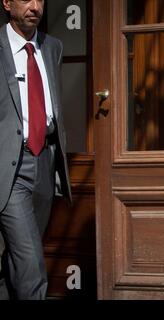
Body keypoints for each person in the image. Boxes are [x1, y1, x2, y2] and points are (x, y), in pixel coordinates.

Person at [0, 0, 71, 300]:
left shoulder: (52, 46)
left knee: (18, 260)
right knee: (31, 264)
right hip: (8, 168)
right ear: (6, 3)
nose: (35, 6)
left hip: (44, 161)